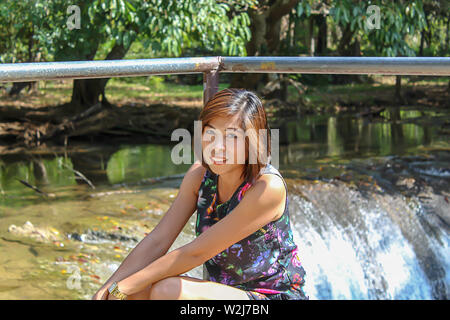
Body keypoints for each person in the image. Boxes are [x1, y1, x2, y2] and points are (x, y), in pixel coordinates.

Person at [92, 88, 308, 300]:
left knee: (165, 291)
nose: (217, 147)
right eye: (210, 133)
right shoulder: (200, 176)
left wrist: (121, 287)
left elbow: (196, 253)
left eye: (232, 137)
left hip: (272, 298)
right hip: (226, 293)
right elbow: (158, 240)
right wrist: (108, 288)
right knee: (137, 292)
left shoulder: (266, 188)